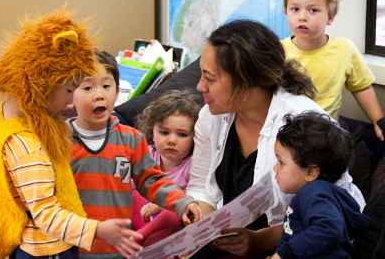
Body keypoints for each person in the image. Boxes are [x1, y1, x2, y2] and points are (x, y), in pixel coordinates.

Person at [0, 9, 143, 259]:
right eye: (70, 90)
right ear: (44, 83)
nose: (72, 101)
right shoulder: (29, 146)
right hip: (49, 250)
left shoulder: (2, 114)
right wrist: (99, 230)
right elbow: (47, 214)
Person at [185, 20, 365, 258]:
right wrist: (199, 232)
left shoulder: (303, 124)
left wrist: (260, 241)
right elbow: (202, 189)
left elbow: (333, 219)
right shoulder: (211, 116)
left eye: (209, 78)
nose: (199, 86)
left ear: (247, 81)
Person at [68, 50, 202, 259]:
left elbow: (151, 179)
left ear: (117, 90)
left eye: (106, 85)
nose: (99, 94)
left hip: (118, 249)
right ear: (70, 95)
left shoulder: (132, 140)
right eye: (87, 87)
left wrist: (181, 202)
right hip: (72, 248)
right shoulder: (60, 142)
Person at [281, 0, 385, 141]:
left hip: (328, 134)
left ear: (330, 16)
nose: (302, 17)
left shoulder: (344, 49)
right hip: (287, 132)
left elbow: (361, 87)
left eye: (313, 10)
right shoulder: (277, 51)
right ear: (286, 12)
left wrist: (378, 120)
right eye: (295, 9)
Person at [269, 112, 369, 259]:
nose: (274, 168)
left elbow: (329, 228)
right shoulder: (318, 193)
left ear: (310, 172)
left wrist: (284, 254)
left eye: (281, 162)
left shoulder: (315, 195)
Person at [131, 90, 201, 246]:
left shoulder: (192, 165)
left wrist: (161, 203)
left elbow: (195, 198)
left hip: (167, 228)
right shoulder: (146, 154)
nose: (172, 140)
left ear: (195, 137)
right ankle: (134, 236)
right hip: (140, 218)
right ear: (152, 131)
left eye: (182, 135)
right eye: (164, 132)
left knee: (178, 209)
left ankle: (139, 237)